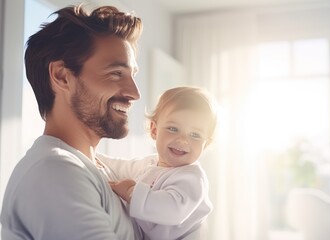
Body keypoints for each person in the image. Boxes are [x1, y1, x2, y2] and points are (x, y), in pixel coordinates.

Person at [1, 4, 144, 240]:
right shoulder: (55, 171)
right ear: (62, 76)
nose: (135, 93)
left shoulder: (97, 169)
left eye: (132, 75)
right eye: (116, 73)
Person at [99, 86, 217, 240]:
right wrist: (94, 155)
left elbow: (173, 210)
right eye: (173, 128)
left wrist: (131, 192)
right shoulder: (150, 163)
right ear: (154, 130)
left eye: (195, 135)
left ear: (205, 144)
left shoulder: (193, 178)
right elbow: (122, 167)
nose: (183, 140)